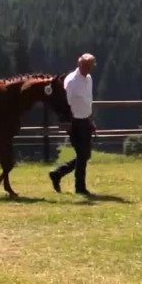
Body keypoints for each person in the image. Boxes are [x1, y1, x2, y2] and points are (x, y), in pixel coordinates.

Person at [49, 53, 96, 196]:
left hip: (85, 120)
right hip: (74, 122)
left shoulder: (89, 79)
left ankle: (58, 173)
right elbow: (65, 104)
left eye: (91, 66)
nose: (89, 69)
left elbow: (87, 101)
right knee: (83, 154)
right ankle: (80, 187)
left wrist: (90, 120)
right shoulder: (71, 82)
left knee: (85, 155)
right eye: (87, 66)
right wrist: (67, 123)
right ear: (80, 64)